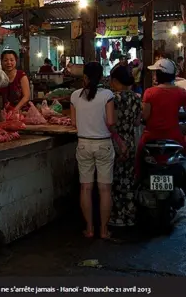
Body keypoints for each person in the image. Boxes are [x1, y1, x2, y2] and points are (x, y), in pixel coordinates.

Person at [70, 62, 124, 240]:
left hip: (84, 144)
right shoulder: (107, 95)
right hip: (103, 144)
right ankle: (103, 231)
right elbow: (110, 122)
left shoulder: (75, 96)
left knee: (85, 188)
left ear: (84, 77)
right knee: (105, 190)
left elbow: (73, 124)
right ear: (101, 78)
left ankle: (89, 229)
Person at [109, 66, 142, 227]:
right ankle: (130, 216)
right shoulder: (136, 97)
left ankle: (117, 217)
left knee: (116, 181)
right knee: (128, 179)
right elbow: (137, 122)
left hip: (117, 143)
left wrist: (119, 142)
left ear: (115, 81)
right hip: (130, 140)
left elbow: (111, 124)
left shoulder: (114, 99)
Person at [140, 58, 186, 154]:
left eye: (155, 73)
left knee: (140, 157)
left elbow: (145, 116)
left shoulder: (149, 92)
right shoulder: (181, 92)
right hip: (174, 135)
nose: (153, 75)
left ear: (159, 75)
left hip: (152, 136)